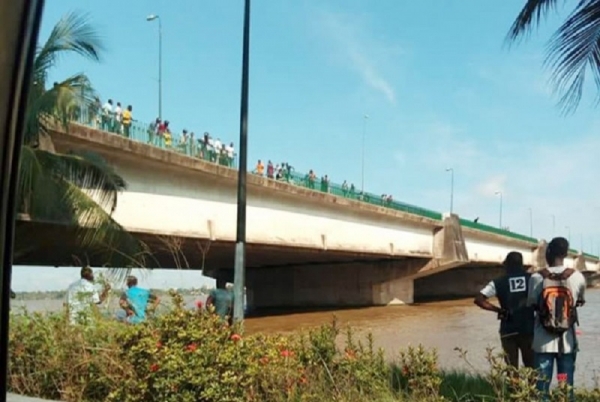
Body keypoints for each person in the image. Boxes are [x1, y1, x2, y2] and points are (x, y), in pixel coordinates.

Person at [527, 237, 586, 400]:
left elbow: (532, 303)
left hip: (542, 342)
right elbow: (579, 301)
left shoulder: (536, 277)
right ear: (566, 254)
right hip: (567, 343)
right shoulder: (577, 276)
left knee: (542, 389)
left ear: (548, 253)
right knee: (565, 386)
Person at [474, 251, 535, 369]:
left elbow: (479, 299)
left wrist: (499, 310)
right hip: (528, 329)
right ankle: (530, 387)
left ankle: (513, 387)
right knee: (531, 367)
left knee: (511, 368)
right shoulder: (533, 279)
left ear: (507, 265)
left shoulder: (498, 282)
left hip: (508, 330)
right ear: (522, 265)